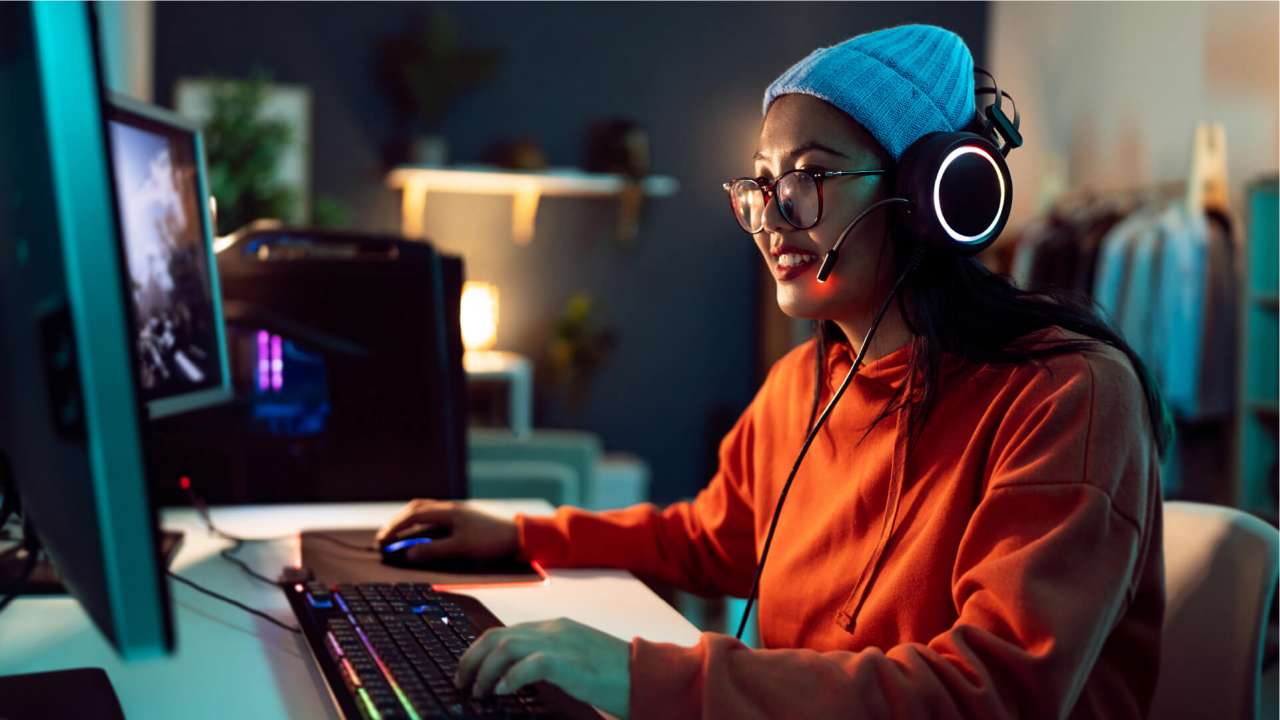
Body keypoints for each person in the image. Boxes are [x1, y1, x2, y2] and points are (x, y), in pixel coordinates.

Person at [377, 24, 1169, 719]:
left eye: (811, 177)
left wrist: (645, 678)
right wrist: (522, 532)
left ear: (932, 196)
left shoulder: (1067, 395)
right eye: (761, 184)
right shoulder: (802, 385)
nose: (774, 216)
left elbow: (988, 696)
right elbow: (711, 538)